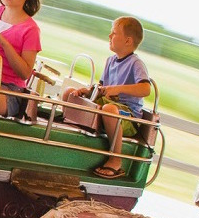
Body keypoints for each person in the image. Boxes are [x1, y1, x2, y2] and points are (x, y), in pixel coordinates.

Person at [64, 16, 152, 179]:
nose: (109, 36)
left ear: (127, 41)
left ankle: (115, 160)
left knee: (109, 109)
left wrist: (116, 89)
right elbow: (102, 87)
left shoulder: (136, 63)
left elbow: (146, 89)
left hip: (128, 115)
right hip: (107, 105)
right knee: (69, 92)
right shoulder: (110, 61)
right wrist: (88, 91)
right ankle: (68, 132)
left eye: (114, 33)